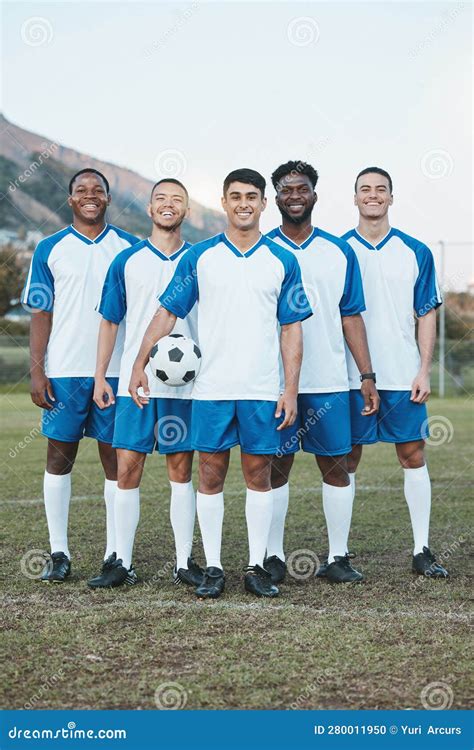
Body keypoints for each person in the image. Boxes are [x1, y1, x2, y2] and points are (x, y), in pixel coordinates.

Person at [129, 168, 312, 599]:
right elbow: (165, 312)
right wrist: (139, 362)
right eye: (235, 196)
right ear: (225, 203)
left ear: (264, 203)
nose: (244, 203)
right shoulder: (201, 258)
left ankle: (255, 566)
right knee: (210, 476)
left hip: (262, 389)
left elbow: (292, 330)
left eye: (252, 196)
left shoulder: (284, 260)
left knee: (258, 476)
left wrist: (289, 388)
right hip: (210, 389)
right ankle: (213, 567)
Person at [21, 169, 139, 583]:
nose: (90, 196)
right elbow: (41, 313)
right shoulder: (49, 249)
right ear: (70, 199)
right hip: (66, 371)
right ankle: (59, 552)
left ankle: (115, 555)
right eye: (81, 190)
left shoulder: (128, 247)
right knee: (58, 457)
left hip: (115, 371)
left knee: (116, 460)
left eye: (98, 190)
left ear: (108, 198)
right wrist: (39, 372)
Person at [267, 161, 379, 584]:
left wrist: (366, 376)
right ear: (274, 197)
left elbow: (351, 317)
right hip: (275, 384)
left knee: (336, 467)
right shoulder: (262, 250)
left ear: (315, 194)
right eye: (285, 189)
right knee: (276, 467)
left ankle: (338, 556)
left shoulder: (338, 250)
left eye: (302, 188)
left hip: (330, 380)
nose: (294, 195)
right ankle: (273, 555)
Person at [88, 178, 202, 588]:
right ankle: (120, 561)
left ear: (186, 210)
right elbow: (109, 321)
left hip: (186, 387)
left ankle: (184, 562)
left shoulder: (201, 259)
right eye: (160, 199)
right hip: (134, 386)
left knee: (181, 471)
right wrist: (102, 374)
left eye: (177, 200)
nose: (168, 205)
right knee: (127, 471)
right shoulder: (127, 261)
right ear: (149, 209)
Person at [341, 166, 448, 578]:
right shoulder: (339, 249)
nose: (372, 195)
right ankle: (340, 553)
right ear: (354, 198)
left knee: (413, 455)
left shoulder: (416, 251)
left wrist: (423, 370)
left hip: (403, 375)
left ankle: (422, 548)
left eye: (380, 189)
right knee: (347, 459)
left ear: (391, 197)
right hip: (351, 376)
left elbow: (426, 314)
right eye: (364, 189)